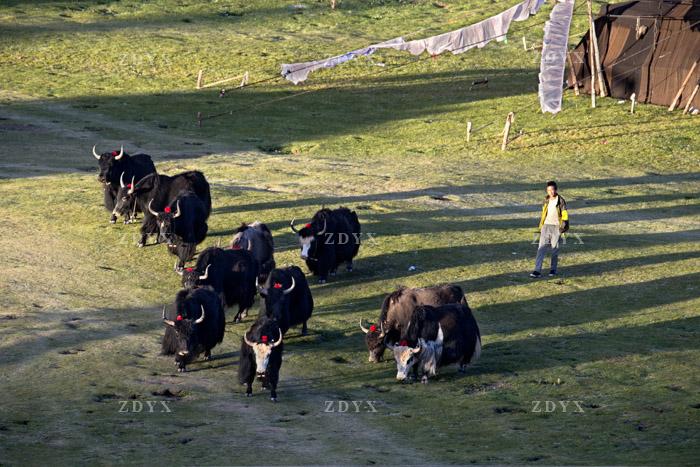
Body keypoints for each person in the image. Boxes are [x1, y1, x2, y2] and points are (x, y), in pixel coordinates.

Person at [530, 181, 569, 278]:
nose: (550, 192)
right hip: (546, 226)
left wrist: (563, 227)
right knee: (541, 248)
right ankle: (537, 270)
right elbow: (544, 213)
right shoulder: (546, 200)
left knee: (554, 250)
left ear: (556, 189)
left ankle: (553, 270)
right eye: (548, 190)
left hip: (557, 227)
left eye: (552, 190)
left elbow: (564, 214)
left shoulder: (561, 201)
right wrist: (541, 226)